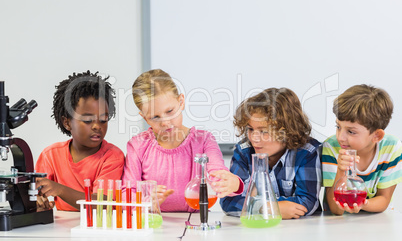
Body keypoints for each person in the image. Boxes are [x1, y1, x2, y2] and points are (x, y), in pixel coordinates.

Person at [122, 69, 243, 212]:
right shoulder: (138, 145)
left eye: (169, 111)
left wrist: (233, 184)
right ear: (144, 117)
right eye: (155, 117)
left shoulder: (204, 141)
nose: (165, 122)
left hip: (195, 222)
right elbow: (125, 196)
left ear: (181, 101)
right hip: (155, 223)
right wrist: (147, 199)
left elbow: (219, 175)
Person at [220, 88, 322, 219]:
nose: (254, 138)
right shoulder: (244, 151)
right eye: (250, 129)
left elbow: (307, 202)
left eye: (263, 131)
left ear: (287, 131)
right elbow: (228, 202)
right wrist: (268, 208)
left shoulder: (307, 152)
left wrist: (252, 205)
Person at [35, 70, 125, 211]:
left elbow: (102, 203)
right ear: (67, 122)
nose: (97, 126)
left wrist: (60, 190)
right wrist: (39, 202)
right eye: (88, 120)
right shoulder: (51, 155)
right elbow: (36, 192)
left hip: (98, 228)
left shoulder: (112, 157)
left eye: (103, 120)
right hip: (62, 229)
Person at [322, 84, 402, 215]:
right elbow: (335, 209)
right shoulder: (331, 147)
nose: (340, 137)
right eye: (338, 126)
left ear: (376, 135)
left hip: (378, 222)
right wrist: (341, 170)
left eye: (351, 132)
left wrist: (361, 203)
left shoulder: (392, 148)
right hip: (338, 224)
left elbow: (384, 199)